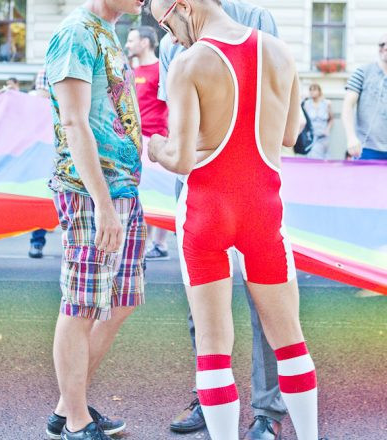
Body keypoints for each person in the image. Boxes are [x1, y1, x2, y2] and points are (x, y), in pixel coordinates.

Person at [149, 1, 322, 439]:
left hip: (206, 210)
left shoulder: (188, 64)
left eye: (167, 22)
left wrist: (154, 147)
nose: (170, 36)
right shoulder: (280, 52)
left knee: (212, 349)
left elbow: (183, 157)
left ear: (183, 5)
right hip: (264, 209)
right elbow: (289, 134)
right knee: (291, 343)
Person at [44, 0, 146, 439]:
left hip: (122, 190)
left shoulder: (107, 31)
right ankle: (75, 422)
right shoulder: (75, 34)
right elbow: (73, 121)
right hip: (91, 194)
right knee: (82, 303)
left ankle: (70, 405)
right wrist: (102, 204)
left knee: (120, 300)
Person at [125, 25, 171, 261]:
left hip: (155, 141)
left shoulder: (161, 70)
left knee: (158, 193)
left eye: (131, 40)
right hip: (133, 142)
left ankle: (160, 244)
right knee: (140, 194)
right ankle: (143, 241)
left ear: (145, 42)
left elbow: (172, 105)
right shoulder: (131, 71)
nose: (127, 44)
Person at [342, 33, 387, 161]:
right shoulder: (362, 72)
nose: (385, 47)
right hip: (366, 148)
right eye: (382, 44)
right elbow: (347, 106)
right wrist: (351, 137)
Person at [28, 69, 51, 259]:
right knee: (44, 193)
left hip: (72, 136)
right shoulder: (47, 69)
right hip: (49, 141)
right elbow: (43, 103)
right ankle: (37, 241)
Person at [303, 84, 333, 159]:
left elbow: (331, 119)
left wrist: (327, 130)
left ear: (319, 91)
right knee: (313, 157)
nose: (312, 92)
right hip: (312, 137)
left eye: (314, 90)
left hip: (323, 136)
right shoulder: (307, 104)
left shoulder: (326, 103)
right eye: (310, 90)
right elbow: (304, 120)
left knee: (324, 158)